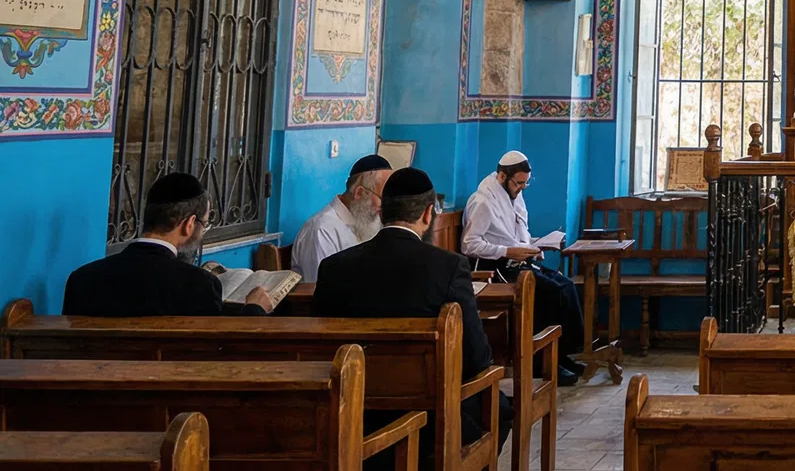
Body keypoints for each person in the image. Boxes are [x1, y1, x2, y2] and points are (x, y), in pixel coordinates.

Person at [313, 167, 509, 455]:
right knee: (501, 409)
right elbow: (476, 356)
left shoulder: (334, 267)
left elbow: (320, 346)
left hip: (351, 411)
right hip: (432, 418)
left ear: (382, 213)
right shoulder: (449, 267)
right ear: (428, 214)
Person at [63, 172, 275, 316]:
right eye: (205, 222)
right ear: (189, 224)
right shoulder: (199, 285)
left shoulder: (82, 279)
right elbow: (213, 355)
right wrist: (254, 310)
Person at [462, 150, 585, 380]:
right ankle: (540, 363)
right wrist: (508, 251)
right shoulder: (483, 201)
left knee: (566, 285)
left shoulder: (514, 194)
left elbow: (517, 231)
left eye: (525, 184)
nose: (521, 188)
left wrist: (532, 246)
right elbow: (469, 245)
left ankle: (561, 354)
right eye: (519, 183)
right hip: (492, 267)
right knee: (548, 293)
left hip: (516, 260)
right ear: (501, 176)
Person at [290, 153, 390, 281]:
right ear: (359, 193)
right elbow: (320, 288)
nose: (385, 207)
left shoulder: (370, 220)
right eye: (383, 198)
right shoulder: (321, 231)